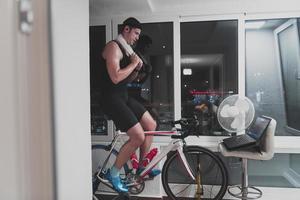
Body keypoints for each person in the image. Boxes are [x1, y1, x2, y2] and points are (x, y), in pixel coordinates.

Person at [99, 17, 159, 193]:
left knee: (151, 125)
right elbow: (115, 77)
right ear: (126, 29)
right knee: (138, 137)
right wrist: (133, 63)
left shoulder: (127, 51)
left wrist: (137, 70)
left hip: (122, 95)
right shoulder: (113, 48)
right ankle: (114, 173)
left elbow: (127, 80)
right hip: (110, 98)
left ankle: (140, 169)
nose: (137, 38)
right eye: (136, 33)